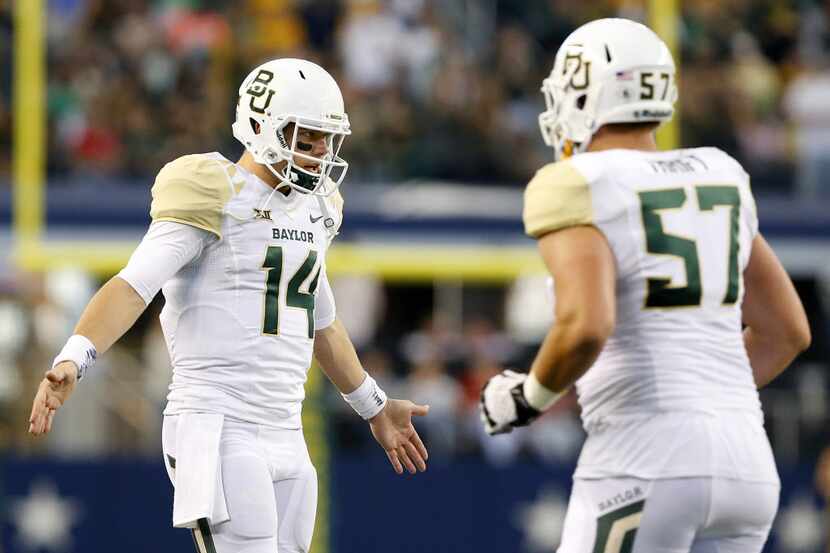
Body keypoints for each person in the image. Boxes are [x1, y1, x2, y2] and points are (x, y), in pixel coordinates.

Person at [28, 58, 430, 553]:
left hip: (285, 424)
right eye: (305, 137)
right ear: (261, 127)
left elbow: (319, 320)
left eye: (326, 138)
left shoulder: (317, 206)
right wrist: (75, 354)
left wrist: (373, 405)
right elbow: (135, 285)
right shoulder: (216, 190)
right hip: (216, 421)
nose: (321, 152)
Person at [480, 18, 811, 552]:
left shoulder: (575, 182)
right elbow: (788, 331)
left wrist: (525, 398)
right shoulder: (719, 172)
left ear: (586, 92)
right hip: (746, 461)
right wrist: (704, 403)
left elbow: (586, 324)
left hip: (643, 459)